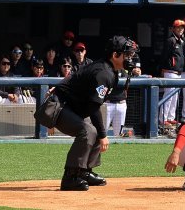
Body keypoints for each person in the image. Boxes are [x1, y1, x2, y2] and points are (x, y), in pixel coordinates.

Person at [47, 36, 137, 191]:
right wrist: (103, 135)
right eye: (127, 54)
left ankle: (84, 172)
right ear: (115, 55)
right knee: (88, 131)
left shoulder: (110, 71)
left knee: (93, 129)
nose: (130, 58)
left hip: (71, 106)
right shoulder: (104, 73)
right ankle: (70, 177)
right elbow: (94, 107)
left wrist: (100, 132)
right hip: (57, 106)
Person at [159, 19, 185, 131]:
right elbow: (164, 56)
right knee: (168, 96)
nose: (180, 29)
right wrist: (163, 69)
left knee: (174, 97)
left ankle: (170, 117)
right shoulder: (171, 40)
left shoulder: (181, 40)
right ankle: (163, 119)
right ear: (173, 28)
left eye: (182, 27)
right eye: (178, 27)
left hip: (178, 73)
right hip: (170, 72)